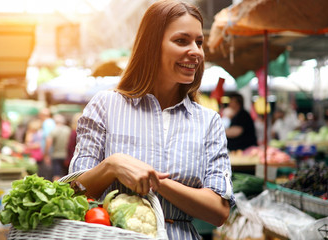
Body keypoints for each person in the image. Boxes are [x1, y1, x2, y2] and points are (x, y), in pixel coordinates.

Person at [69, 1, 233, 239]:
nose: (196, 51)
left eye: (199, 42)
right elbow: (75, 192)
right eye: (181, 41)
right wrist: (112, 165)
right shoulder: (105, 106)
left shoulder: (208, 121)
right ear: (152, 46)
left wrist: (156, 182)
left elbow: (219, 211)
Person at [44, 114, 72, 181]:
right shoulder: (68, 130)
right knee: (67, 176)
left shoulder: (54, 130)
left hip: (56, 156)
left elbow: (48, 142)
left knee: (56, 175)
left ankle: (57, 190)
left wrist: (46, 154)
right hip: (67, 156)